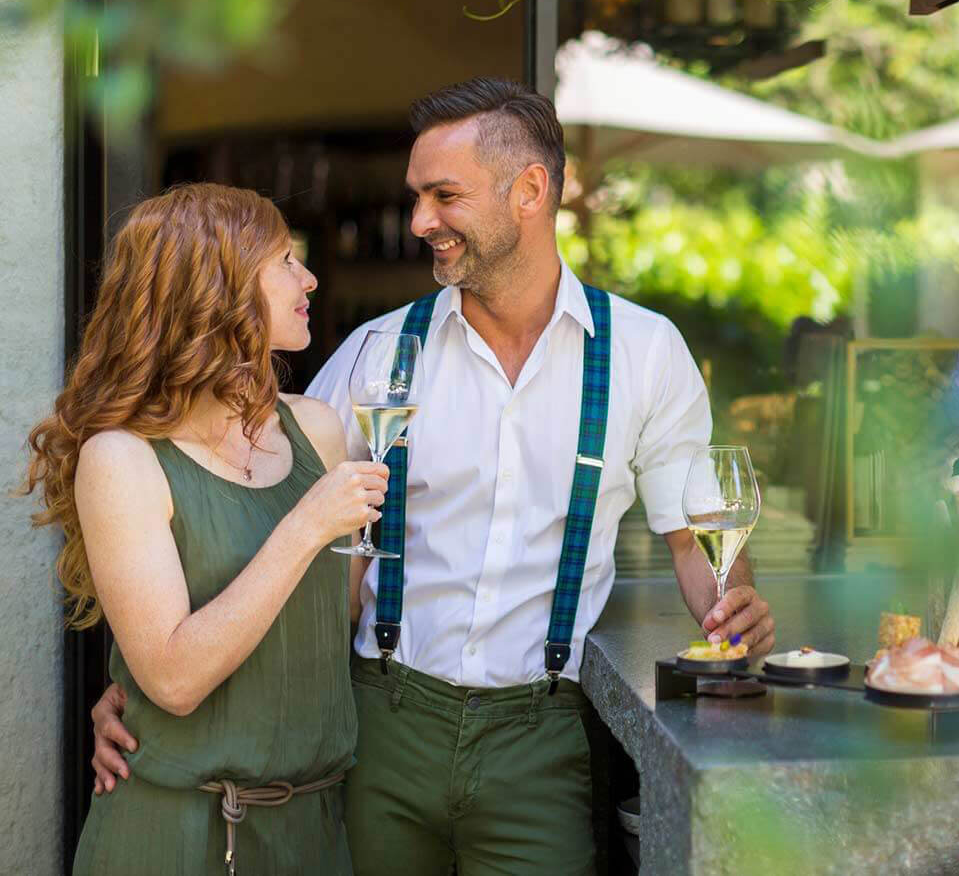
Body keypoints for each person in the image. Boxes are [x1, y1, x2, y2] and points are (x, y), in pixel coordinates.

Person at [91, 79, 775, 874]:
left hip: (540, 731)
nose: (420, 221)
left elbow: (692, 536)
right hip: (377, 722)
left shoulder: (645, 353)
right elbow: (244, 516)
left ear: (529, 190)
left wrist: (731, 612)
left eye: (443, 195)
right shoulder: (375, 357)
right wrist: (140, 685)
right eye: (414, 197)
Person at [26, 184, 389, 875]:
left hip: (313, 829)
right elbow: (175, 682)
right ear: (213, 288)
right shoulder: (122, 458)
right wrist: (305, 525)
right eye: (284, 259)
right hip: (177, 834)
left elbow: (330, 618)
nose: (309, 277)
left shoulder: (315, 427)